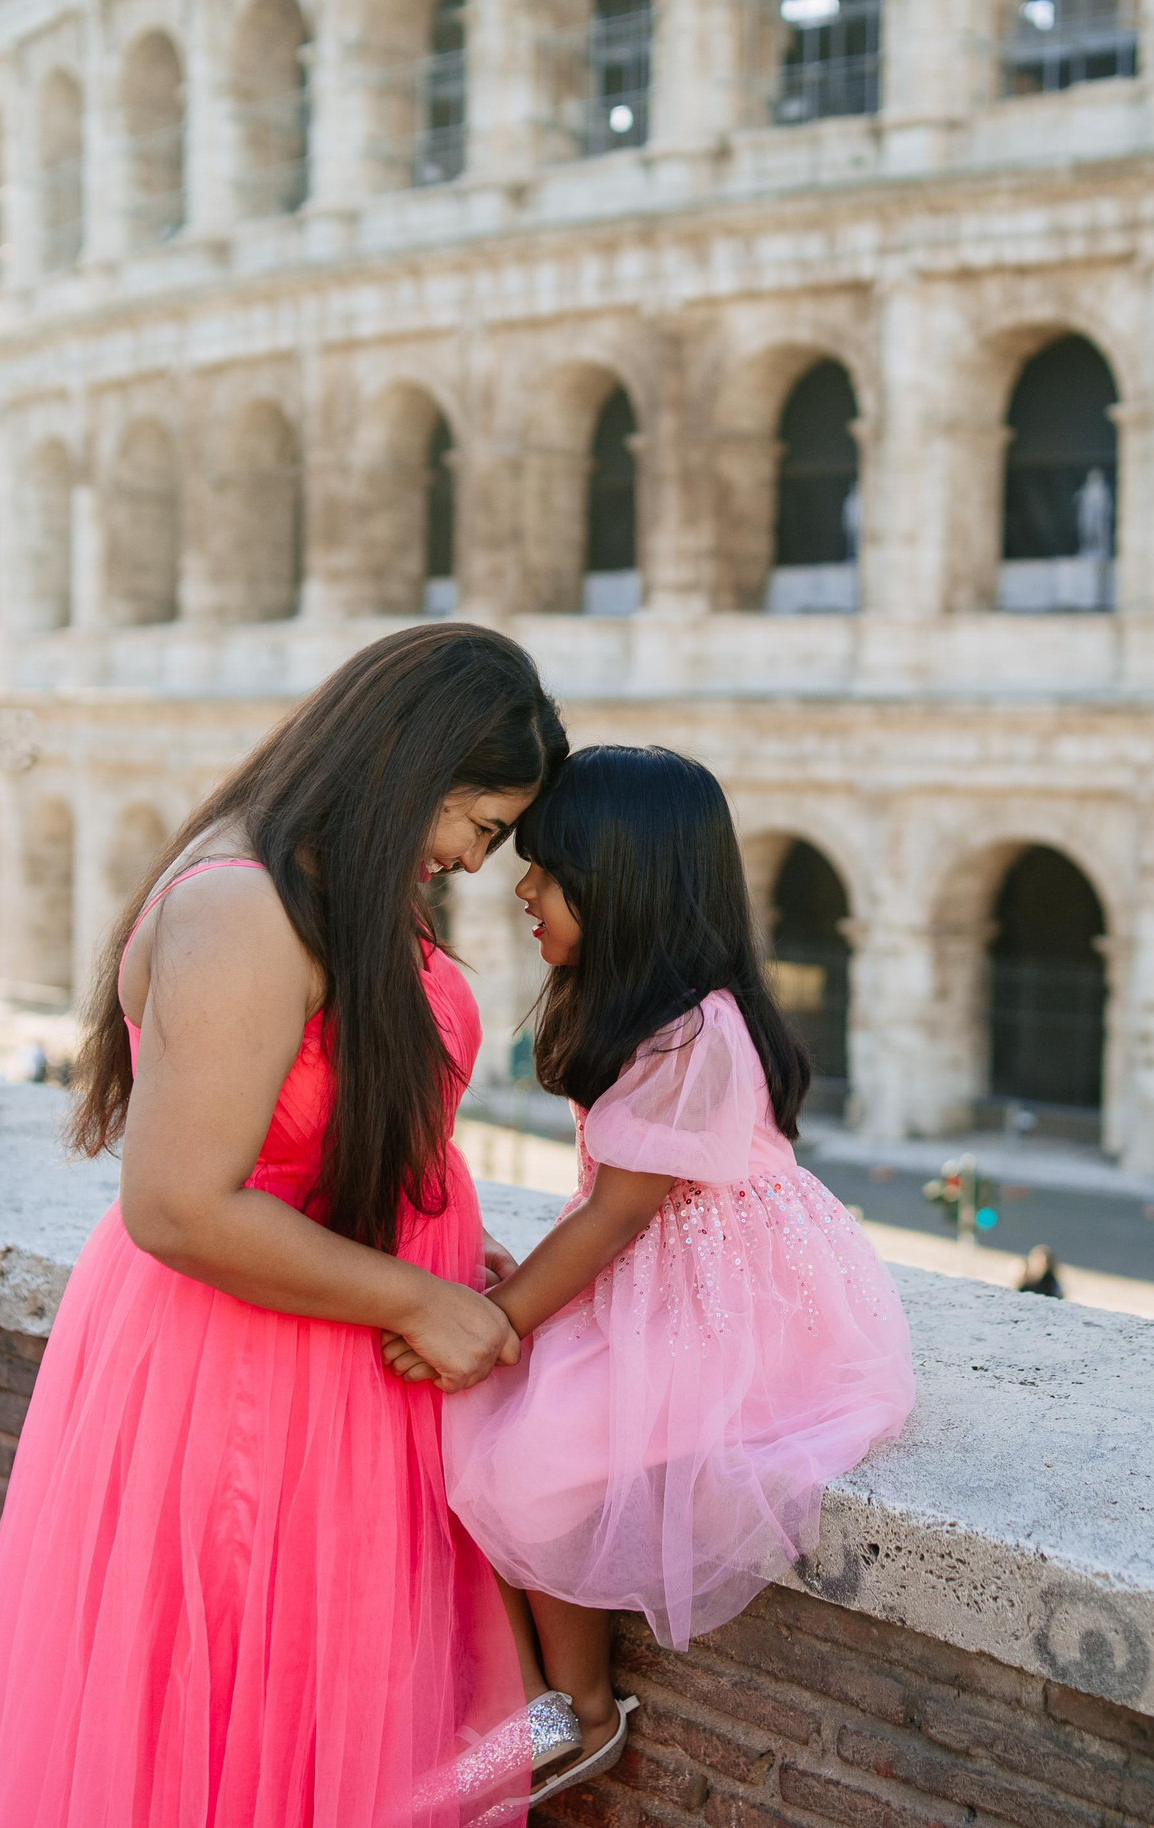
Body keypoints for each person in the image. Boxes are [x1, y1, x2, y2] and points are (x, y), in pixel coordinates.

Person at [0, 626, 568, 1828]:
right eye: (477, 825)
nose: (475, 863)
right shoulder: (242, 908)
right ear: (410, 766)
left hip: (352, 1364)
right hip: (251, 1375)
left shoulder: (338, 888)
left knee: (350, 1715)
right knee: (238, 1717)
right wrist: (420, 1295)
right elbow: (177, 1205)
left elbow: (336, 1136)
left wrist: (448, 1246)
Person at [432, 747, 915, 1806]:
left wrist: (495, 1318)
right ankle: (523, 1698)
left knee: (537, 1460)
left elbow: (614, 1217)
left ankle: (579, 1708)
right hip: (658, 1277)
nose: (520, 889)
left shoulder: (699, 1032)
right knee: (468, 1432)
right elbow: (606, 1213)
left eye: (547, 872)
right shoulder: (637, 1012)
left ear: (624, 886)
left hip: (733, 1306)